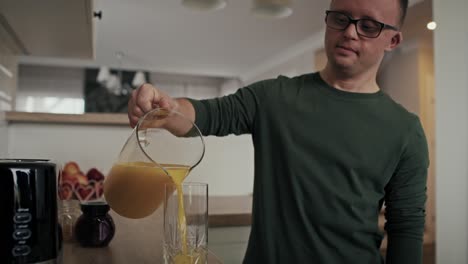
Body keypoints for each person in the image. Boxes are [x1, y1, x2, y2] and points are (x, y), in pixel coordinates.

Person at [128, 0, 429, 263]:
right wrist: (163, 107)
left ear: (393, 40)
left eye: (368, 25)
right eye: (341, 18)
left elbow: (406, 228)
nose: (350, 32)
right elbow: (207, 114)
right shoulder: (274, 97)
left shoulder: (405, 131)